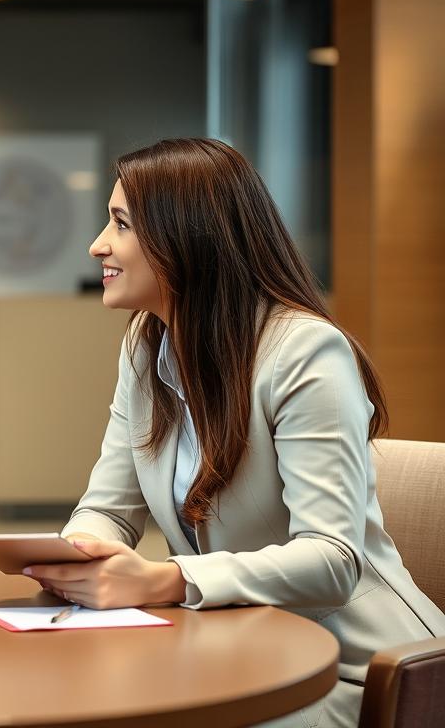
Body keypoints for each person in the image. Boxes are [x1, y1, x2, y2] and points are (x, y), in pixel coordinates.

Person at [24, 139, 445, 727]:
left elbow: (332, 561)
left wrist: (165, 580)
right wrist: (80, 555)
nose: (98, 244)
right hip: (237, 654)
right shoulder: (147, 349)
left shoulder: (305, 352)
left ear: (185, 239)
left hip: (353, 670)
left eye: (120, 223)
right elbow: (109, 509)